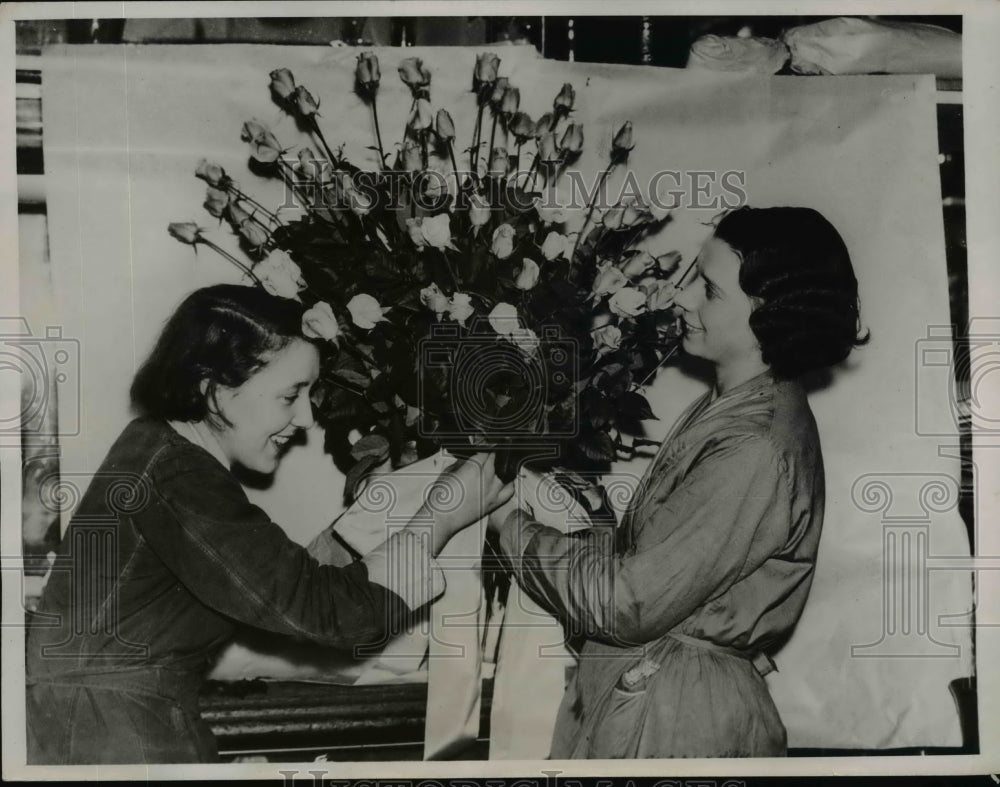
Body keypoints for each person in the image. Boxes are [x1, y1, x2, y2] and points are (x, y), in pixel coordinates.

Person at [25, 284, 512, 764]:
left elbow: (268, 586)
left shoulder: (158, 452)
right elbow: (324, 613)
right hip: (112, 734)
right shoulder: (179, 473)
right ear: (213, 389)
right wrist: (439, 518)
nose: (305, 417)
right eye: (290, 395)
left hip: (103, 723)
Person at [488, 206, 868, 758]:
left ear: (770, 313)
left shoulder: (755, 442)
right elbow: (667, 570)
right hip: (659, 696)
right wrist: (594, 516)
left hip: (675, 718)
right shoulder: (734, 406)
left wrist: (508, 526)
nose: (683, 297)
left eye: (709, 291)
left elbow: (629, 603)